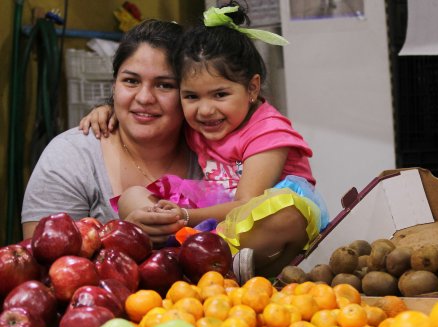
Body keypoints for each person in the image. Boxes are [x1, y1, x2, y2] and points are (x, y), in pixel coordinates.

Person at [82, 2, 329, 281]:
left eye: (220, 95)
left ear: (252, 88)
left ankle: (213, 265)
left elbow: (246, 202)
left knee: (287, 214)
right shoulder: (203, 124)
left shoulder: (268, 133)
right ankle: (183, 257)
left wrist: (186, 216)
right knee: (132, 196)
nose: (205, 110)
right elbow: (149, 114)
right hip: (211, 219)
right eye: (191, 97)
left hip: (253, 225)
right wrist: (108, 109)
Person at [21, 19, 202, 243]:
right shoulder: (72, 156)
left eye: (165, 84)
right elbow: (43, 258)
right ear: (114, 86)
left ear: (190, 92)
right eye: (131, 81)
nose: (144, 98)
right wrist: (121, 238)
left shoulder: (215, 152)